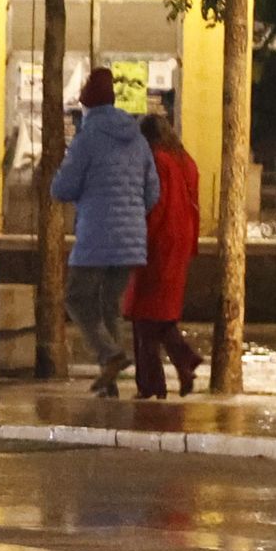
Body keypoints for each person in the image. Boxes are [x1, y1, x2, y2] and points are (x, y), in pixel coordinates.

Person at [51, 67, 160, 398]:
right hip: (131, 240)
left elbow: (62, 188)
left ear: (87, 106)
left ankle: (109, 353)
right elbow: (153, 192)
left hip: (96, 237)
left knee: (76, 297)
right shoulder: (138, 139)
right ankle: (109, 382)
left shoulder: (87, 140)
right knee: (110, 304)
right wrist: (130, 216)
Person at [124, 114, 204, 399]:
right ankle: (184, 362)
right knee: (160, 314)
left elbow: (154, 205)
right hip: (179, 243)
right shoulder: (185, 161)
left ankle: (151, 385)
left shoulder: (157, 162)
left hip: (157, 243)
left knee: (143, 316)